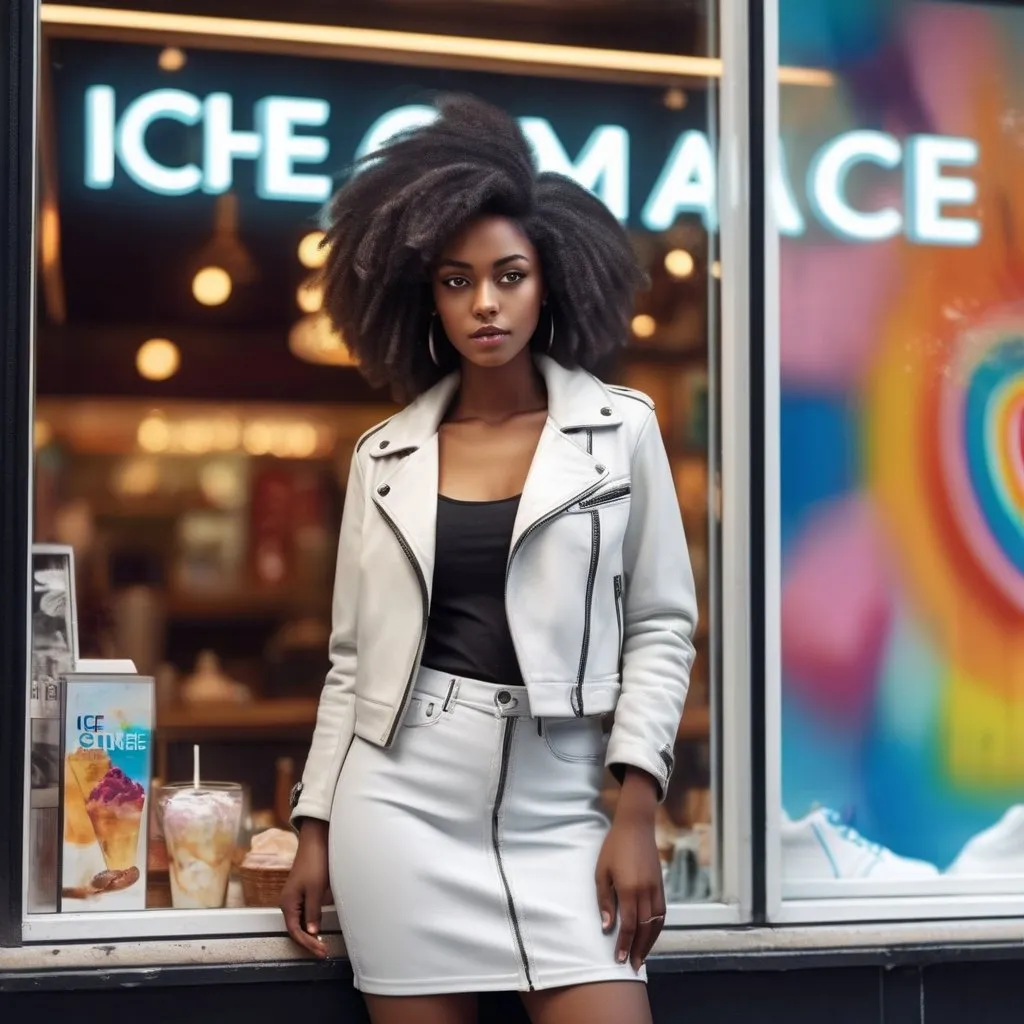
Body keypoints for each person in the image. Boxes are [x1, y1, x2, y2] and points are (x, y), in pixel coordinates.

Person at [280, 94, 698, 1024]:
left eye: (509, 275)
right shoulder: (383, 455)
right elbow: (351, 665)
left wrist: (636, 810)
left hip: (566, 804)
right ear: (424, 296)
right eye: (456, 281)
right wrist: (316, 827)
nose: (486, 303)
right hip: (400, 805)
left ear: (550, 280)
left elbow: (662, 628)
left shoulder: (618, 429)